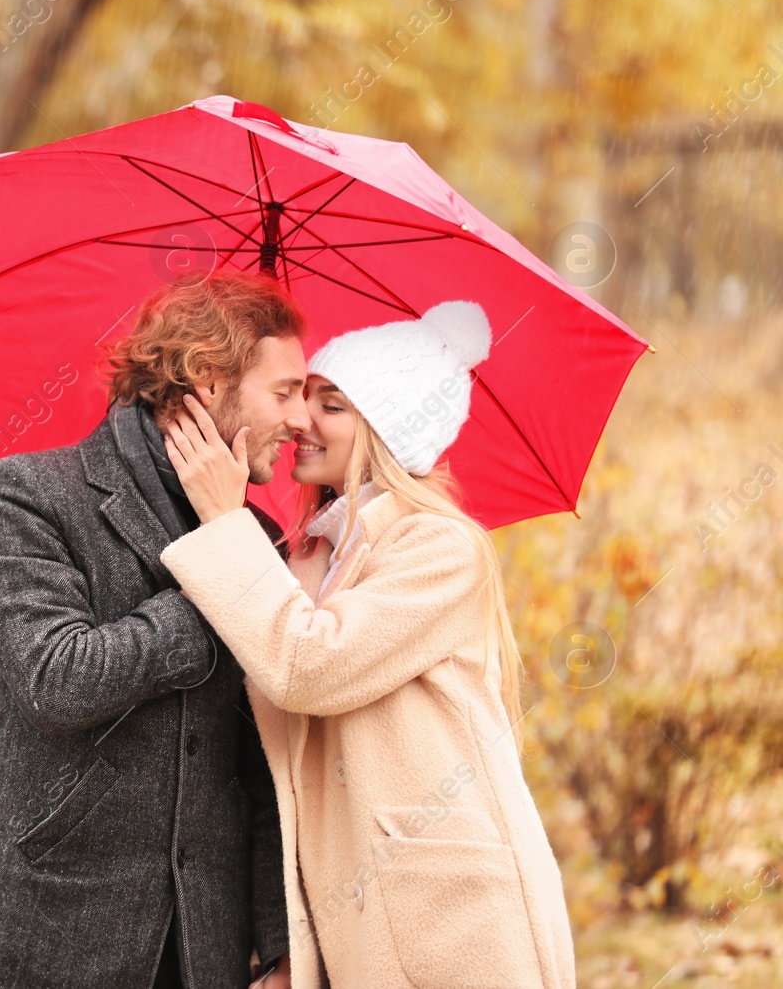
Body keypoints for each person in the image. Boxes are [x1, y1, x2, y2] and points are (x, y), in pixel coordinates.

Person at [158, 300, 577, 989]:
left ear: (387, 429)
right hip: (359, 933)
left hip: (457, 926)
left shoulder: (440, 547)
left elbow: (308, 666)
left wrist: (225, 519)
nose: (301, 422)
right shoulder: (311, 557)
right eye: (300, 397)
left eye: (333, 405)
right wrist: (294, 948)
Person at [0, 272, 308, 989]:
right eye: (285, 390)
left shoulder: (261, 539)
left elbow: (260, 757)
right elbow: (59, 680)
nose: (299, 420)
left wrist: (278, 943)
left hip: (204, 950)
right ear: (207, 379)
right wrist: (215, 567)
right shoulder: (32, 494)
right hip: (46, 938)